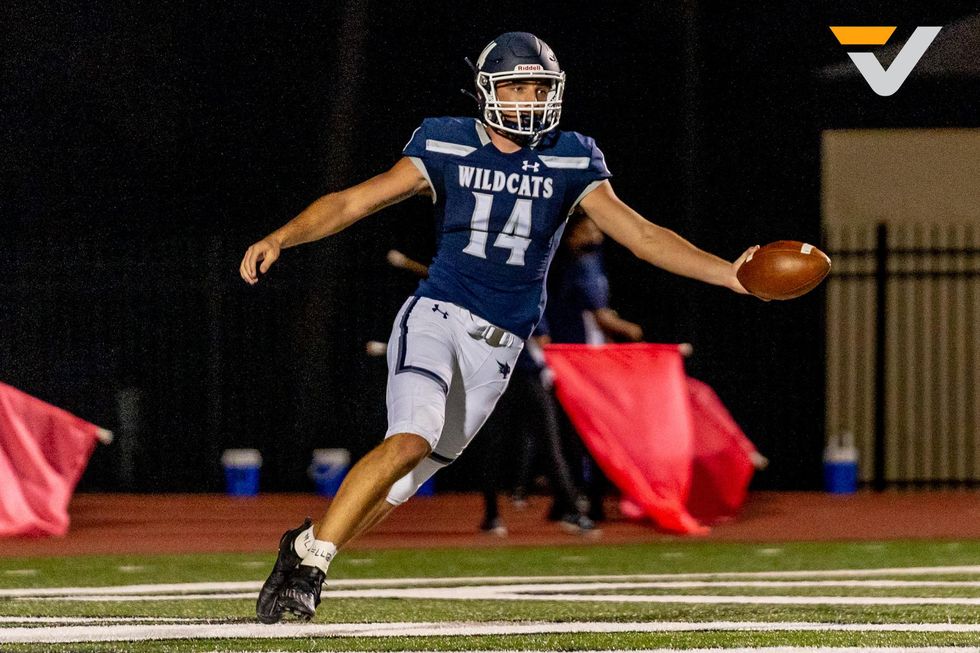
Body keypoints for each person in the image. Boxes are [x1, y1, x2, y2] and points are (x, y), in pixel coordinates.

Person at [239, 31, 757, 624]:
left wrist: (728, 274)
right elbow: (354, 201)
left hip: (502, 345)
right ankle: (314, 569)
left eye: (539, 87)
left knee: (403, 485)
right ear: (487, 90)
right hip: (438, 316)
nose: (531, 98)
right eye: (517, 86)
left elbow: (640, 235)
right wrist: (282, 236)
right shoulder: (447, 141)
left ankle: (305, 546)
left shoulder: (572, 156)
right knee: (409, 440)